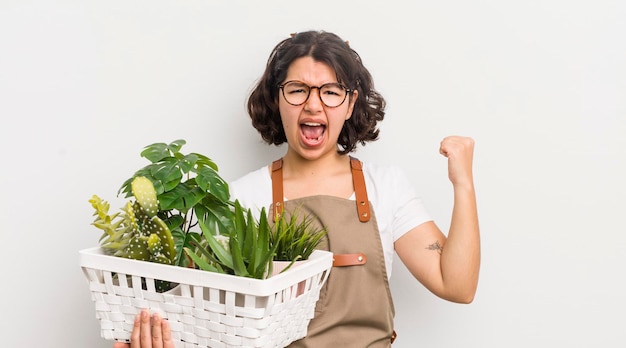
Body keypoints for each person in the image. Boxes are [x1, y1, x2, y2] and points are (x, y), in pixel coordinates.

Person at [113, 30, 480, 348]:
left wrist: (462, 183)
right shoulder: (243, 198)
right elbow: (208, 321)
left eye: (331, 91)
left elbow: (457, 286)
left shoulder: (385, 187)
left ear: (350, 102)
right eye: (297, 89)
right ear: (276, 98)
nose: (313, 104)